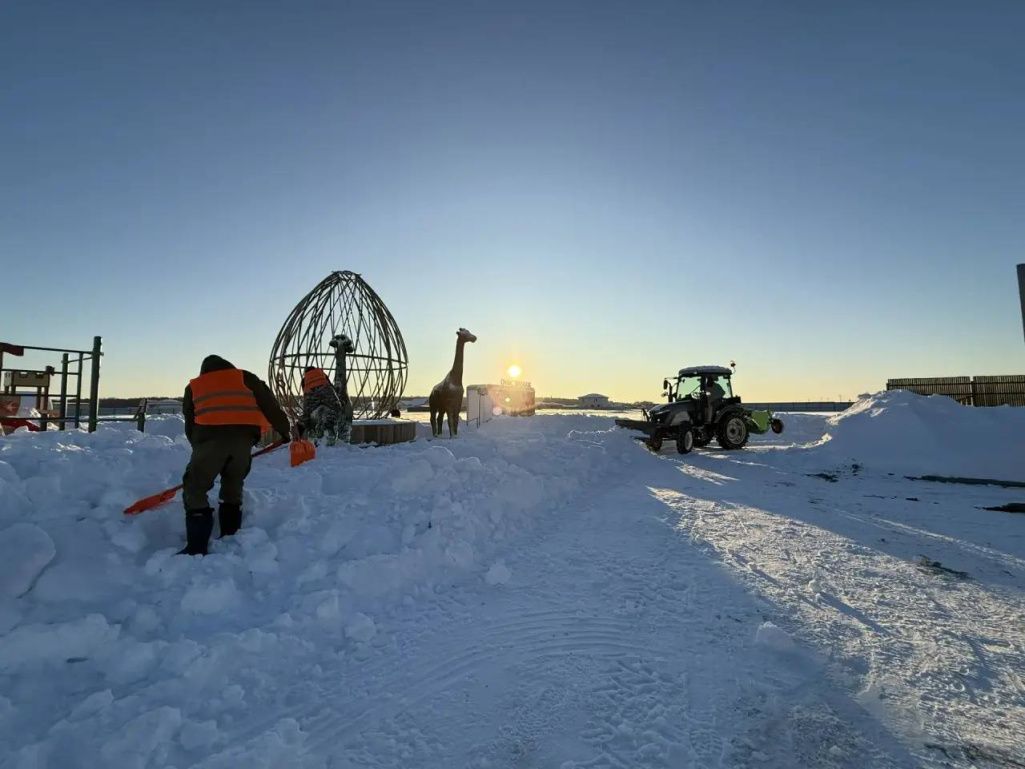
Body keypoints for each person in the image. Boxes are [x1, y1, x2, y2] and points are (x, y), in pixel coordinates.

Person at [180, 355, 291, 555]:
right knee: (233, 486)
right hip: (243, 442)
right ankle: (230, 537)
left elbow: (190, 421)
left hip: (210, 443)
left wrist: (199, 448)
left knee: (195, 489)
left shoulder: (195, 387)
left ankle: (196, 547)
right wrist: (284, 430)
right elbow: (270, 405)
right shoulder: (246, 378)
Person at [299, 365, 350, 446]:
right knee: (339, 421)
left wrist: (306, 425)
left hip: (317, 411)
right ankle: (343, 443)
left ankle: (321, 441)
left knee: (316, 422)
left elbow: (307, 406)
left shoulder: (306, 382)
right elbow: (332, 392)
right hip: (333, 408)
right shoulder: (323, 376)